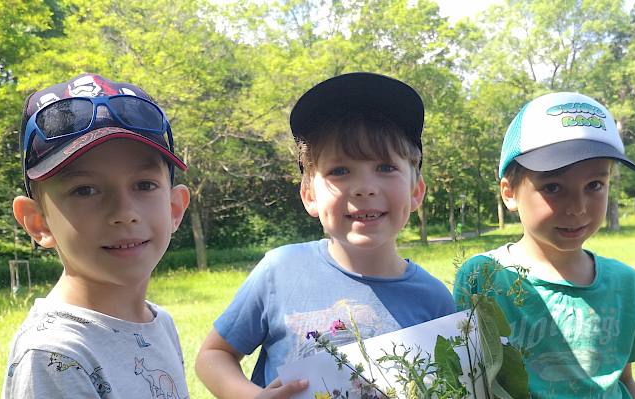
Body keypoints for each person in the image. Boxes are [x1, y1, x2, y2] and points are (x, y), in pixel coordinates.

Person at [195, 72, 456, 399]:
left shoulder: (435, 301)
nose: (363, 188)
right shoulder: (281, 270)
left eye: (386, 167)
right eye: (340, 171)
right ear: (309, 195)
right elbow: (213, 356)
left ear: (416, 191)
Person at [454, 92, 635, 398]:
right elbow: (467, 383)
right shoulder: (483, 278)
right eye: (553, 187)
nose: (577, 207)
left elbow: (624, 380)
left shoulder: (625, 282)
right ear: (509, 193)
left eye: (595, 185)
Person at [2, 74, 191, 398]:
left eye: (144, 185)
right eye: (85, 190)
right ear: (38, 223)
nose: (123, 211)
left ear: (174, 208)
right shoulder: (55, 354)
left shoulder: (160, 324)